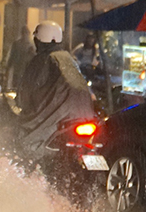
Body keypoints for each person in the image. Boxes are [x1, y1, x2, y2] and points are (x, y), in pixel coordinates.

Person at [11, 21, 96, 158]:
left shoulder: (42, 59)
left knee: (23, 140)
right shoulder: (68, 57)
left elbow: (26, 92)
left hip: (57, 115)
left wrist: (21, 103)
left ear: (39, 40)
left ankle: (26, 169)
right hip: (83, 114)